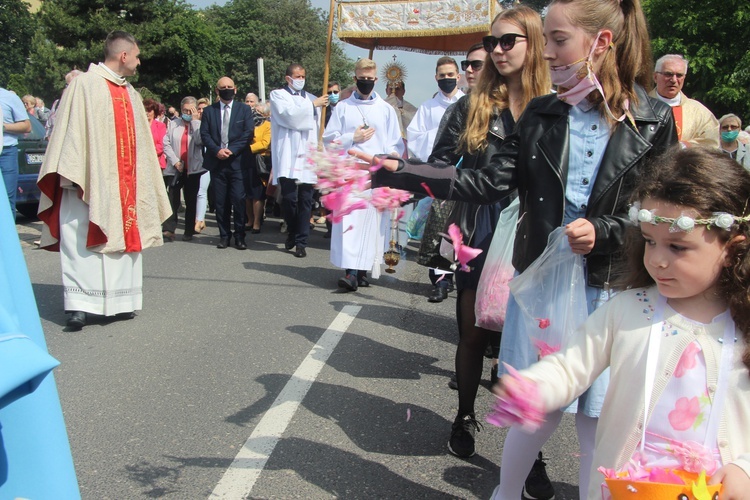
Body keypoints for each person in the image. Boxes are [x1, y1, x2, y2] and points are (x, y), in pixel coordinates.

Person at [362, 0, 677, 497]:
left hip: (613, 288)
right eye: (545, 39)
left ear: (602, 43)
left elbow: (661, 211)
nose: (547, 53)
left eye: (558, 40)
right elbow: (488, 181)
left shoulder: (654, 119)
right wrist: (403, 172)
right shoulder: (541, 113)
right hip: (547, 284)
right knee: (537, 411)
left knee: (600, 423)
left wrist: (608, 230)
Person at [495, 147, 750, 500]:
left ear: (733, 248)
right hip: (624, 489)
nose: (657, 260)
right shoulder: (629, 311)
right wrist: (535, 387)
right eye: (649, 242)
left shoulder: (743, 327)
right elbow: (572, 366)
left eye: (677, 248)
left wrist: (744, 468)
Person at [423, 5, 553, 462]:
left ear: (533, 43)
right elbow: (440, 162)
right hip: (479, 230)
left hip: (538, 239)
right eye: (491, 43)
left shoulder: (556, 105)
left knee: (529, 347)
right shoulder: (470, 105)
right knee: (473, 333)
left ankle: (528, 452)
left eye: (507, 41)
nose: (496, 51)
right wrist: (409, 179)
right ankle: (463, 415)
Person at [37, 30, 171, 331]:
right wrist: (74, 173)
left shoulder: (132, 95)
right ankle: (79, 305)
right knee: (81, 239)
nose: (138, 63)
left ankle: (120, 302)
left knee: (122, 239)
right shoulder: (84, 85)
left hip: (124, 186)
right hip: (85, 180)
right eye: (136, 57)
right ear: (124, 56)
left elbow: (142, 148)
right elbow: (68, 134)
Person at [323, 58, 404, 290]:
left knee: (371, 225)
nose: (366, 82)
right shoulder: (343, 107)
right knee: (350, 223)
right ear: (355, 78)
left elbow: (396, 144)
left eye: (370, 79)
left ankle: (362, 270)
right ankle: (350, 273)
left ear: (376, 80)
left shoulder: (386, 110)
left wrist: (389, 157)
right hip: (350, 173)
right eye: (362, 79)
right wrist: (352, 139)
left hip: (375, 174)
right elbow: (329, 141)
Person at [407, 56, 466, 303]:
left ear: (458, 76)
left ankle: (461, 276)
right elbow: (414, 138)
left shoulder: (469, 103)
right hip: (441, 174)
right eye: (442, 76)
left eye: (450, 75)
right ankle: (441, 280)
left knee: (461, 229)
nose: (447, 79)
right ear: (436, 78)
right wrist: (443, 134)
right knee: (439, 228)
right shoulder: (428, 108)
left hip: (466, 175)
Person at [270, 63, 328, 258]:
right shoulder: (278, 95)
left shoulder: (313, 99)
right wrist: (312, 106)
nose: (301, 79)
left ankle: (301, 241)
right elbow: (289, 117)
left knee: (305, 200)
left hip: (307, 153)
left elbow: (318, 127)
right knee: (289, 199)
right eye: (297, 76)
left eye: (303, 76)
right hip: (287, 152)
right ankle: (293, 231)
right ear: (288, 78)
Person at [200, 76, 254, 250]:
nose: (227, 89)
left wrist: (232, 149)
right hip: (217, 163)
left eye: (230, 86)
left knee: (239, 200)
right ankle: (224, 236)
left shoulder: (243, 109)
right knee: (221, 202)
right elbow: (205, 134)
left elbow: (248, 133)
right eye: (223, 87)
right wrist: (217, 150)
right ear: (217, 90)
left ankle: (240, 236)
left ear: (235, 89)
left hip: (237, 162)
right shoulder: (209, 111)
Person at [649, 54, 719, 149]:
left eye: (679, 75)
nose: (674, 80)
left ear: (684, 78)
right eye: (668, 74)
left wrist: (684, 146)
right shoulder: (640, 107)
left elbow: (712, 144)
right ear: (655, 77)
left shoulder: (699, 112)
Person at [163, 96, 205, 241]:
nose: (187, 112)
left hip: (193, 168)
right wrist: (175, 162)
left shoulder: (199, 124)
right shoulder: (173, 124)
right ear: (181, 110)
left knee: (190, 199)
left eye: (190, 110)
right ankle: (169, 229)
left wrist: (195, 121)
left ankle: (188, 230)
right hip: (176, 167)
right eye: (185, 110)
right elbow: (166, 144)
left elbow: (200, 141)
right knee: (172, 197)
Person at [0, 86, 31, 216]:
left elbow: (26, 126)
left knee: (6, 200)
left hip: (6, 152)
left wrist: (3, 127)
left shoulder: (9, 97)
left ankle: (6, 236)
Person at [245, 101, 271, 234]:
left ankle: (256, 222)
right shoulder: (248, 124)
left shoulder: (268, 125)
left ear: (266, 114)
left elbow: (265, 143)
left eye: (259, 112)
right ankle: (249, 220)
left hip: (260, 160)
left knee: (257, 194)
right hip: (247, 160)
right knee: (247, 194)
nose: (256, 113)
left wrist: (249, 147)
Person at [46, 69, 83, 139]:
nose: (68, 88)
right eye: (67, 85)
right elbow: (49, 125)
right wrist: (49, 138)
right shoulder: (57, 103)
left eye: (73, 85)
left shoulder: (84, 104)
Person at [194, 97, 210, 233]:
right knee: (195, 191)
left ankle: (199, 219)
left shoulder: (210, 124)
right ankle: (199, 217)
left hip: (207, 162)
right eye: (198, 109)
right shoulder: (193, 124)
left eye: (203, 109)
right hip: (194, 162)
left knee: (201, 191)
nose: (201, 111)